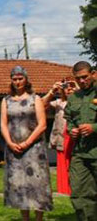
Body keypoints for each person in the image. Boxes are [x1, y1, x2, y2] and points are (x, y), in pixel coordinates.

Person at [0, 66, 53, 221]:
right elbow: (3, 124)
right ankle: (25, 219)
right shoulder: (6, 101)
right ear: (11, 81)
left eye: (20, 78)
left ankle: (38, 218)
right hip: (14, 149)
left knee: (38, 183)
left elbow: (42, 124)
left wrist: (27, 142)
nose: (17, 82)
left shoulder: (35, 99)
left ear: (26, 79)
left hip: (35, 149)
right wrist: (10, 143)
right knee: (19, 183)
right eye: (15, 79)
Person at [64, 61, 97, 221]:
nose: (82, 81)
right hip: (81, 153)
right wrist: (73, 131)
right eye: (78, 79)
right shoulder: (73, 98)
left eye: (85, 77)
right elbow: (69, 119)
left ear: (94, 74)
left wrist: (94, 127)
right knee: (79, 194)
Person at [43, 79, 78, 195]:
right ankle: (66, 189)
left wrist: (78, 89)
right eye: (66, 86)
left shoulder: (82, 100)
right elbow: (41, 105)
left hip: (77, 138)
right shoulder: (59, 103)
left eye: (71, 86)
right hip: (62, 139)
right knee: (64, 164)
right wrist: (52, 91)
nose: (69, 89)